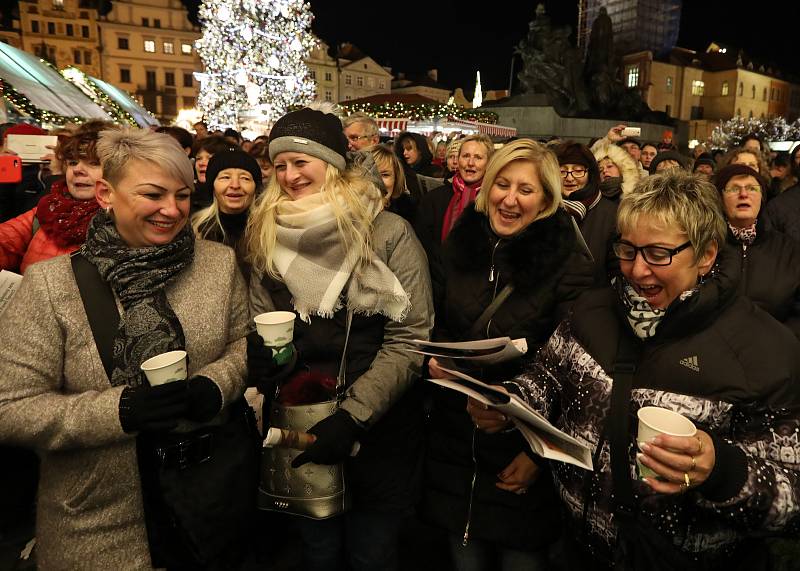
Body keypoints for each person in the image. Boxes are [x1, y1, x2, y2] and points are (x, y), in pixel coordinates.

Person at [469, 170, 800, 568]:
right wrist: (512, 402)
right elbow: (549, 374)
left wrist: (721, 471)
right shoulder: (592, 311)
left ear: (706, 254)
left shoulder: (763, 350)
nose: (637, 271)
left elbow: (792, 498)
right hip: (576, 548)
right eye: (628, 250)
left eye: (658, 254)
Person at [0, 128, 251, 568]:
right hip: (95, 517)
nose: (171, 211)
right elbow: (10, 407)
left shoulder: (217, 264)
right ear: (105, 193)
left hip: (208, 504)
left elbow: (241, 344)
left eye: (183, 195)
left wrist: (216, 384)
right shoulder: (52, 284)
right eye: (153, 195)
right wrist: (117, 412)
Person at [246, 104, 433, 571]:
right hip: (302, 420)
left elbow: (410, 337)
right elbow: (260, 316)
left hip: (378, 426)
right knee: (318, 550)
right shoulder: (268, 231)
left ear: (330, 162)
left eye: (301, 161)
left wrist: (355, 415)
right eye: (281, 164)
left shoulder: (388, 231)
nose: (289, 175)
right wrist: (268, 361)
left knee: (372, 552)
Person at [423, 139, 594, 570]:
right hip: (456, 441)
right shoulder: (459, 245)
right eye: (502, 184)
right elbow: (442, 319)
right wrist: (438, 358)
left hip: (522, 447)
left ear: (548, 200)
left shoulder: (568, 262)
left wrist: (538, 454)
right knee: (465, 557)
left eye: (526, 189)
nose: (510, 199)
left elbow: (578, 369)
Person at [0, 120, 115, 273]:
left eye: (93, 163)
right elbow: (6, 240)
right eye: (73, 162)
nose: (77, 170)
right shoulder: (48, 208)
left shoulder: (125, 222)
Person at [714, 164, 800, 338]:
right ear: (720, 199)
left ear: (762, 197)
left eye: (752, 188)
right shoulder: (707, 247)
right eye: (733, 189)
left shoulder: (789, 249)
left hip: (775, 350)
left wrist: (781, 340)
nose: (743, 194)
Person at [413, 133, 494, 264]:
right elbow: (423, 244)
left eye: (478, 157)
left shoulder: (495, 201)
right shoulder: (434, 198)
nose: (470, 163)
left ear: (489, 163)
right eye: (465, 156)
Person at [555, 141, 618, 285]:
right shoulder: (544, 210)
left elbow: (616, 271)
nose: (570, 178)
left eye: (578, 170)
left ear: (590, 173)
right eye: (562, 171)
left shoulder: (611, 214)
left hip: (593, 302)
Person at [192, 149, 263, 278]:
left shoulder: (268, 230)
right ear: (212, 186)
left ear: (255, 187)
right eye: (225, 177)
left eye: (245, 178)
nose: (235, 185)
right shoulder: (196, 230)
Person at [367, 143, 415, 221]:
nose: (378, 181)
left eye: (385, 175)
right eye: (370, 173)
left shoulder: (407, 218)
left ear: (396, 179)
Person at [191, 135, 236, 212]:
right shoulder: (188, 196)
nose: (201, 163)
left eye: (210, 158)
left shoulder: (234, 198)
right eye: (198, 158)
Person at [592, 137, 641, 202]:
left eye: (609, 166)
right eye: (600, 170)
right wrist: (608, 138)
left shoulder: (634, 198)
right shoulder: (593, 199)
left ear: (621, 169)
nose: (604, 171)